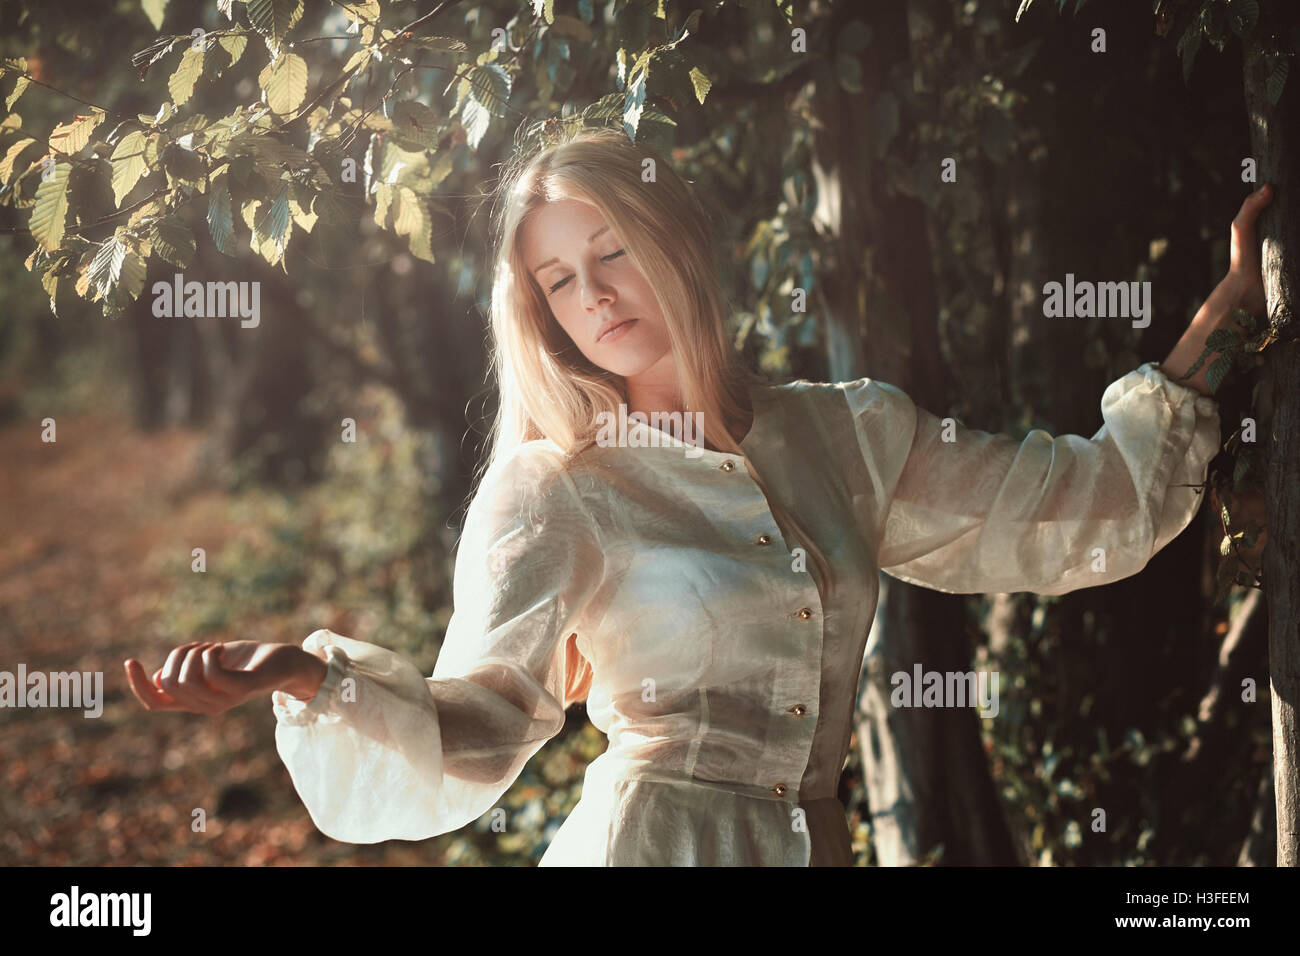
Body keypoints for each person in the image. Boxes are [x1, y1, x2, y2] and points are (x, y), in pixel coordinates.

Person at [125, 124, 1275, 866]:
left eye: (610, 252)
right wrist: (307, 679)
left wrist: (1229, 312)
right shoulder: (554, 486)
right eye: (558, 280)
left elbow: (1082, 508)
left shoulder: (848, 433)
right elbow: (478, 727)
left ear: (674, 241)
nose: (593, 295)